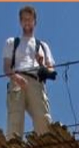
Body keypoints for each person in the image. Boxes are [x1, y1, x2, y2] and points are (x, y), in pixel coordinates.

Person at [3, 5, 54, 138]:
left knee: (43, 119)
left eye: (29, 19)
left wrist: (42, 64)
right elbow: (6, 68)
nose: (27, 22)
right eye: (24, 19)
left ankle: (47, 147)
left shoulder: (43, 45)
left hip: (36, 81)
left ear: (34, 22)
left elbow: (51, 71)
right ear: (20, 22)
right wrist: (17, 78)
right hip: (17, 80)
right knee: (15, 119)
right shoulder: (11, 42)